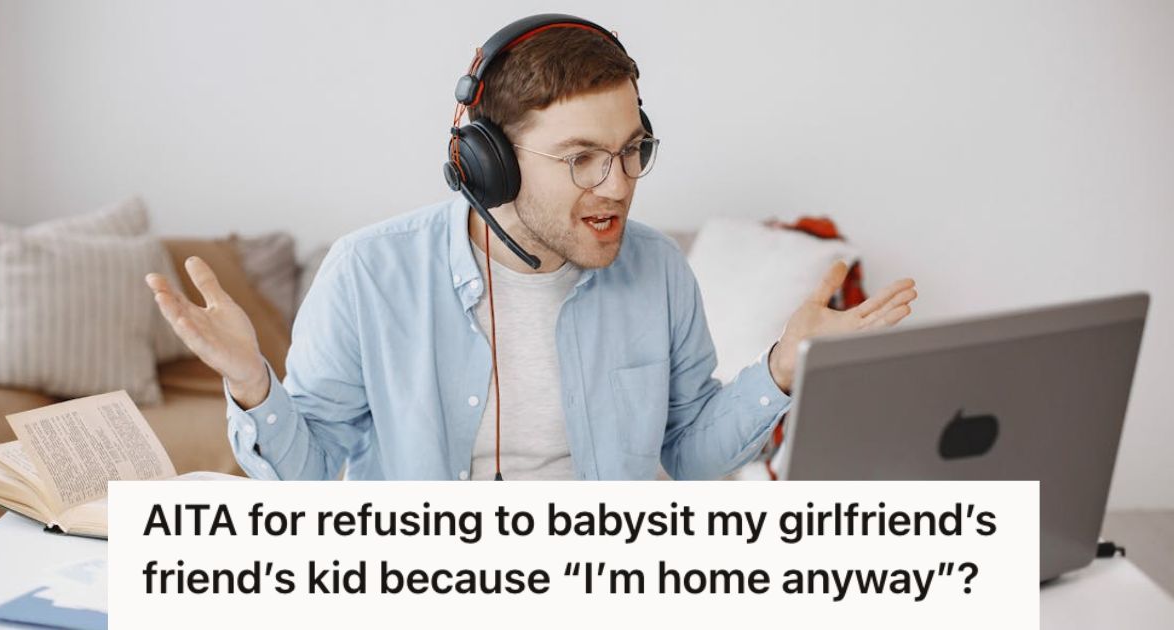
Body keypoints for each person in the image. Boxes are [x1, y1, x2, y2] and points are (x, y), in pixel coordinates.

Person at [145, 15, 917, 482]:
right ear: (491, 162)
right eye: (581, 158)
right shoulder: (369, 274)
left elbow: (688, 454)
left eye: (631, 150)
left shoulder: (657, 273)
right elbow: (310, 481)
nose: (617, 185)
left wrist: (782, 366)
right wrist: (252, 382)